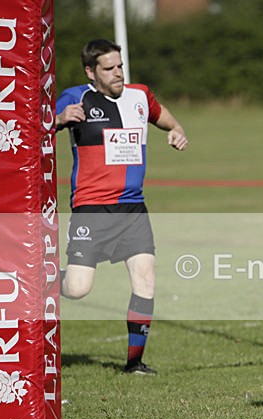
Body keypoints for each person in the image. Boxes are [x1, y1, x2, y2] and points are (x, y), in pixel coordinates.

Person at [55, 39, 189, 375]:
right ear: (90, 71)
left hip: (133, 209)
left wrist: (176, 130)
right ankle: (36, 280)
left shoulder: (140, 95)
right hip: (92, 208)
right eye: (109, 68)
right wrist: (58, 119)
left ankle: (134, 362)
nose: (118, 73)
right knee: (77, 288)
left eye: (120, 66)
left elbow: (164, 117)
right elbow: (30, 128)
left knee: (145, 280)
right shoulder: (75, 98)